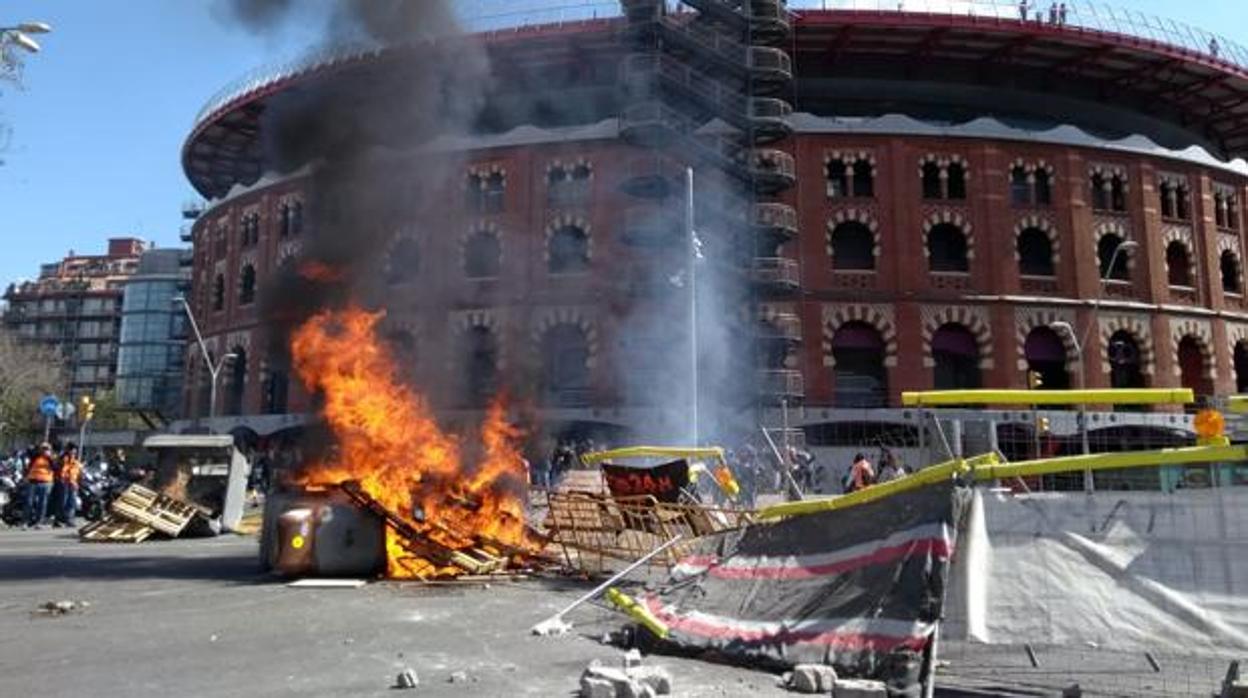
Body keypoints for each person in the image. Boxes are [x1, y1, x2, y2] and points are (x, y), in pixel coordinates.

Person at [23, 442, 56, 528]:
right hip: (33, 482)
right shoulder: (35, 457)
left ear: (50, 450)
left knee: (42, 503)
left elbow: (55, 467)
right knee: (29, 502)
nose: (44, 450)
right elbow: (29, 463)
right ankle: (26, 521)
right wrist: (26, 477)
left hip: (45, 482)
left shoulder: (51, 458)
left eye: (46, 449)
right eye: (43, 448)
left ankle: (39, 522)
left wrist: (49, 457)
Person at [57, 445, 83, 527]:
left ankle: (70, 520)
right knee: (63, 502)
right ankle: (60, 519)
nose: (73, 453)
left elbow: (79, 473)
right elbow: (60, 468)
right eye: (72, 451)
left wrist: (78, 482)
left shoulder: (76, 461)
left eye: (74, 451)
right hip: (64, 483)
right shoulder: (64, 459)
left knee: (72, 503)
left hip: (73, 484)